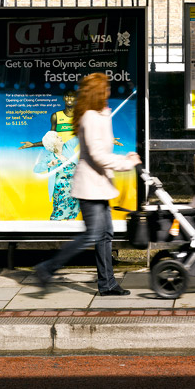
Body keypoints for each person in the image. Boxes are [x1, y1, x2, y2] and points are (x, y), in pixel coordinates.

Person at [34, 73, 141, 296]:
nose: (109, 91)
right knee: (92, 235)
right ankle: (47, 268)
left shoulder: (99, 115)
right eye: (105, 88)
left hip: (99, 185)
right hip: (90, 185)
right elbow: (97, 155)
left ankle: (108, 283)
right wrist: (126, 162)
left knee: (105, 235)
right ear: (97, 92)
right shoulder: (91, 117)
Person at [33, 131, 80, 221]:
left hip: (74, 189)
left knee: (72, 214)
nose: (61, 137)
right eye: (58, 137)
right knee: (58, 215)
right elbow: (36, 169)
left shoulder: (68, 147)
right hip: (61, 193)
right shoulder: (50, 157)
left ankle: (71, 234)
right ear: (53, 143)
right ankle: (54, 234)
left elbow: (79, 136)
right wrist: (49, 164)